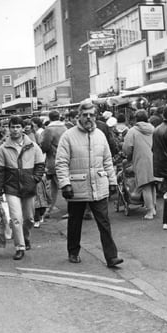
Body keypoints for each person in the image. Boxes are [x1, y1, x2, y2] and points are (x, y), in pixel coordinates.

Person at [55, 101, 123, 268]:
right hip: (76, 187)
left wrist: (112, 181)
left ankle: (111, 257)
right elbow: (61, 162)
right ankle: (73, 251)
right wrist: (65, 184)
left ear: (95, 116)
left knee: (104, 223)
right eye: (85, 115)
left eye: (91, 115)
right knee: (75, 222)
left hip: (98, 185)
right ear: (79, 116)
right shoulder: (68, 136)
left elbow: (107, 161)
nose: (88, 118)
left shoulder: (100, 135)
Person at [0, 116, 46, 260]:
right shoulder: (3, 148)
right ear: (8, 129)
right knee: (16, 218)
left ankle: (26, 237)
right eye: (12, 127)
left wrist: (35, 178)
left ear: (23, 128)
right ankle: (19, 246)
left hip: (28, 187)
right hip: (11, 187)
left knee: (28, 218)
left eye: (18, 127)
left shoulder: (33, 146)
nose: (15, 130)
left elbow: (40, 164)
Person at [123, 109, 159, 220]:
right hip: (155, 159)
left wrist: (127, 156)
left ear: (136, 119)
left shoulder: (132, 131)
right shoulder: (153, 129)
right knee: (152, 184)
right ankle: (153, 207)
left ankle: (150, 211)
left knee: (145, 185)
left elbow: (127, 148)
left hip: (141, 160)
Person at [40, 110, 68, 219]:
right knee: (54, 187)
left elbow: (45, 146)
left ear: (50, 118)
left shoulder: (49, 130)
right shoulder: (65, 128)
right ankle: (49, 210)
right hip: (64, 159)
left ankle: (72, 209)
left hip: (53, 160)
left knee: (59, 185)